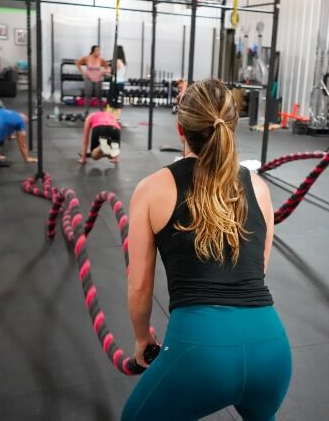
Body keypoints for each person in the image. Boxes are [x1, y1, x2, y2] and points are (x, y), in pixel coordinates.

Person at [122, 79, 291, 420]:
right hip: (273, 351)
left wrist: (142, 338)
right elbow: (257, 272)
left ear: (180, 128)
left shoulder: (151, 190)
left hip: (201, 353)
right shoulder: (258, 188)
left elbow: (139, 285)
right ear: (232, 126)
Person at [76, 45, 111, 115]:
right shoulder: (87, 58)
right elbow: (78, 63)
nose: (99, 52)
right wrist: (83, 73)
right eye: (97, 50)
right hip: (89, 78)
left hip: (98, 79)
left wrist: (104, 72)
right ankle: (86, 111)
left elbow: (107, 68)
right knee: (88, 95)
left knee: (99, 96)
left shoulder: (101, 59)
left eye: (99, 50)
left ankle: (102, 111)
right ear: (93, 51)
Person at [113, 45, 127, 120]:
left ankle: (115, 116)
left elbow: (113, 71)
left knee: (115, 99)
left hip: (116, 82)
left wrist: (104, 71)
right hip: (121, 82)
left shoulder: (118, 61)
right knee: (119, 99)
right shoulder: (124, 62)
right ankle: (117, 116)